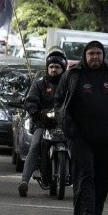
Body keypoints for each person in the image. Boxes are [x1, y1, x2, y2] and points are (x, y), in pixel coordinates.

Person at [54, 41, 108, 215]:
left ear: (103, 55)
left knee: (102, 179)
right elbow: (59, 102)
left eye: (98, 53)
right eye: (91, 54)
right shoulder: (73, 75)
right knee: (85, 175)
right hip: (80, 138)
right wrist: (68, 127)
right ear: (85, 56)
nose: (95, 57)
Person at [18, 50, 67, 197]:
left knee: (81, 147)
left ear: (63, 68)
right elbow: (30, 101)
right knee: (34, 146)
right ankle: (24, 181)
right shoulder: (39, 84)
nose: (54, 69)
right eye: (51, 66)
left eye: (57, 67)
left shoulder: (69, 84)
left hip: (65, 124)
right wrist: (36, 113)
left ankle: (84, 185)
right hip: (43, 124)